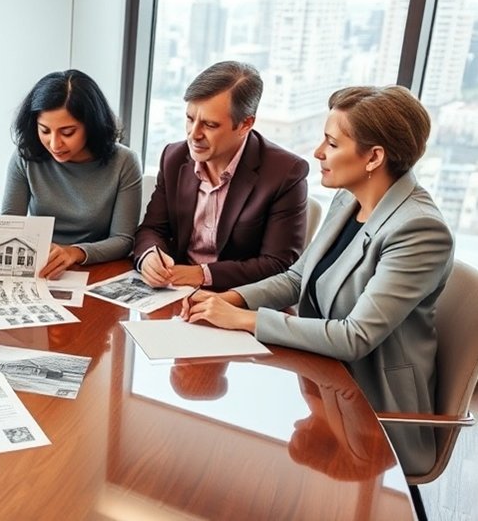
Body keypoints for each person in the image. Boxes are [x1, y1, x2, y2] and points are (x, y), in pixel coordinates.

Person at [182, 85, 453, 476]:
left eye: (331, 143)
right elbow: (296, 278)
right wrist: (231, 299)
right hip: (324, 381)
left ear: (374, 156)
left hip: (376, 415)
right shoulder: (349, 199)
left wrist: (246, 320)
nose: (318, 153)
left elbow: (355, 337)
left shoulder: (419, 230)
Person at [135, 61, 308, 290]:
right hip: (175, 291)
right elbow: (152, 229)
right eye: (189, 118)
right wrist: (149, 257)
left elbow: (278, 264)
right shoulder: (174, 157)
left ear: (246, 124)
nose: (193, 134)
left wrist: (200, 274)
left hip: (238, 298)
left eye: (209, 124)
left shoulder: (285, 173)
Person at [2, 69, 142, 279]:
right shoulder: (26, 156)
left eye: (68, 132)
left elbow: (123, 240)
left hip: (97, 269)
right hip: (43, 268)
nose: (55, 144)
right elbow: (10, 225)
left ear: (91, 125)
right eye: (45, 130)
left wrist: (74, 252)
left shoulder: (125, 162)